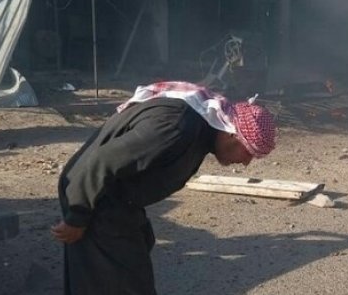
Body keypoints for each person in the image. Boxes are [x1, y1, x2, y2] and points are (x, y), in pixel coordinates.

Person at [53, 80, 277, 295]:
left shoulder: (198, 130)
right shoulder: (175, 127)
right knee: (118, 284)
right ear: (231, 133)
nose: (246, 163)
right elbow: (101, 161)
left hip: (116, 201)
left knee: (121, 272)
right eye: (248, 153)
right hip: (94, 197)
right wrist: (77, 217)